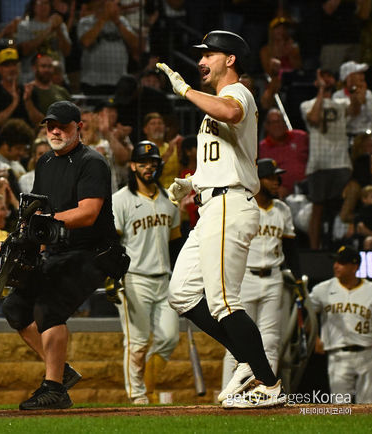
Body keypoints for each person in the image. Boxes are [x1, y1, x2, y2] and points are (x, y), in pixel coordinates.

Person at [157, 30, 285, 408]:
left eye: (209, 53)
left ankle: (269, 384)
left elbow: (231, 112)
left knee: (224, 302)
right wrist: (191, 182)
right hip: (213, 204)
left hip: (231, 203)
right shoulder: (215, 101)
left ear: (230, 60)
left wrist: (184, 92)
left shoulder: (238, 92)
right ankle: (247, 360)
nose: (201, 60)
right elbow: (225, 159)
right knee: (180, 292)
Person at [2, 101, 117, 410]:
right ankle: (60, 370)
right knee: (15, 307)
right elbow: (39, 209)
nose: (55, 130)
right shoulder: (45, 162)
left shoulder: (92, 162)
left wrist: (45, 223)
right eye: (50, 125)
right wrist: (22, 240)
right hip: (57, 250)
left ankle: (54, 389)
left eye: (63, 125)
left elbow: (89, 212)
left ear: (79, 127)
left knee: (48, 307)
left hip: (93, 252)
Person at [221, 158, 300, 394]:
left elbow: (291, 249)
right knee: (237, 341)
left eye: (277, 177)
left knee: (271, 341)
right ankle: (230, 391)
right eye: (271, 177)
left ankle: (264, 391)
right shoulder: (243, 206)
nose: (277, 182)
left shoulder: (282, 209)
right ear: (257, 180)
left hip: (274, 277)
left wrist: (297, 278)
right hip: (244, 278)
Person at [111, 141, 182, 405]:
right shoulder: (121, 200)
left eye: (153, 162)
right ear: (132, 166)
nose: (148, 167)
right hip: (134, 279)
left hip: (165, 279)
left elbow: (176, 244)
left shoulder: (169, 199)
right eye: (143, 163)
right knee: (138, 341)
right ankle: (138, 396)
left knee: (169, 337)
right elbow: (112, 243)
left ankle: (146, 387)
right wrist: (112, 276)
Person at [308, 245, 372, 404]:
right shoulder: (323, 289)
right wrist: (315, 338)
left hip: (368, 353)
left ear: (354, 267)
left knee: (368, 408)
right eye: (336, 262)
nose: (336, 266)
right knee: (340, 407)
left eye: (341, 263)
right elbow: (305, 313)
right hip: (338, 354)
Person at [300, 69, 354, 250]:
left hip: (341, 164)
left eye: (330, 76)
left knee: (341, 209)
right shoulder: (307, 105)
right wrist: (321, 92)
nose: (326, 79)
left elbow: (356, 110)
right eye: (322, 77)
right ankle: (315, 252)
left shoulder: (342, 102)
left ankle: (341, 247)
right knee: (318, 209)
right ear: (316, 82)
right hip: (318, 165)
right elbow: (314, 119)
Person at [77, 0, 139, 95]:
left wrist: (117, 22)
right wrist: (103, 18)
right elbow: (86, 42)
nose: (115, 8)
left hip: (119, 81)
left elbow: (135, 44)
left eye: (116, 5)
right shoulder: (86, 22)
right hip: (93, 83)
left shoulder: (122, 21)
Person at [258, 109, 309, 198]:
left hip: (308, 191)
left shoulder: (301, 137)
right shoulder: (262, 148)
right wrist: (277, 188)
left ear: (285, 123)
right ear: (267, 126)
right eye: (273, 122)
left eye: (280, 121)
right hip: (280, 195)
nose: (277, 125)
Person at [333, 61, 372, 137]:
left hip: (367, 137)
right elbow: (341, 123)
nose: (362, 76)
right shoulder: (338, 96)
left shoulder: (368, 94)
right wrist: (355, 102)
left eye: (362, 73)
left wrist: (365, 101)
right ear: (348, 77)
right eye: (358, 73)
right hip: (348, 138)